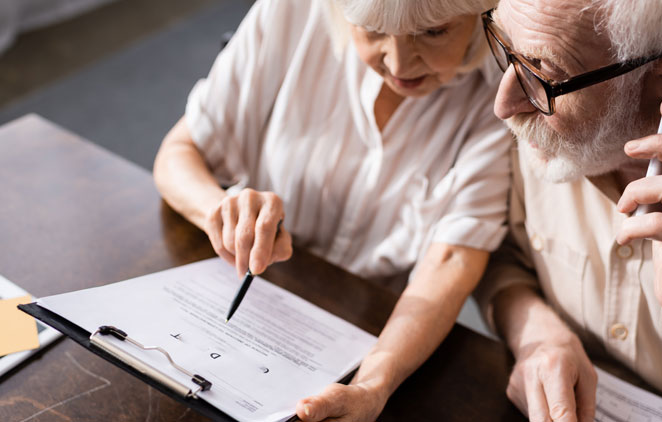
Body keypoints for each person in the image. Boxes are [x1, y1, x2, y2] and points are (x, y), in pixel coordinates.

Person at [153, 0, 512, 420]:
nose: (398, 63)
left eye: (433, 32)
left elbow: (452, 258)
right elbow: (180, 151)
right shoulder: (291, 12)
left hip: (373, 330)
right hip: (251, 292)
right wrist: (220, 209)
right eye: (372, 30)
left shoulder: (505, 85)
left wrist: (373, 384)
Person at [476, 1, 662, 421]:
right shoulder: (542, 122)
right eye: (506, 46)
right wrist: (536, 333)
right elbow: (502, 255)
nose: (505, 104)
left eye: (543, 73)